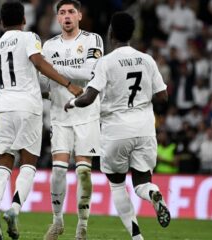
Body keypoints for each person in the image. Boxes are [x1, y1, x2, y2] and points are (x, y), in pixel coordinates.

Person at [64, 12, 171, 239]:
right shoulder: (147, 59)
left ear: (111, 32)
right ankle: (154, 193)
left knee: (117, 185)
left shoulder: (106, 62)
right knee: (143, 182)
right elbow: (163, 97)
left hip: (115, 131)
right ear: (132, 34)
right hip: (145, 130)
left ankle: (136, 236)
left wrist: (72, 102)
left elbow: (89, 97)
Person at [0, 2, 82, 240]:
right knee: (28, 163)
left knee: (3, 164)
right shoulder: (29, 37)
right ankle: (15, 208)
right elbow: (38, 62)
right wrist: (68, 84)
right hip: (27, 107)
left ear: (1, 23)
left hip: (1, 108)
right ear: (24, 20)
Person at [40, 1, 104, 239]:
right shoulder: (49, 45)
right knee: (57, 171)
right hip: (59, 115)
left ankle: (82, 225)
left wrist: (52, 70)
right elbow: (43, 81)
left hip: (87, 114)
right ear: (57, 18)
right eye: (62, 13)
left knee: (83, 173)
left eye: (71, 12)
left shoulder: (93, 39)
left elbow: (90, 72)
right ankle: (57, 222)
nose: (66, 16)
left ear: (79, 15)